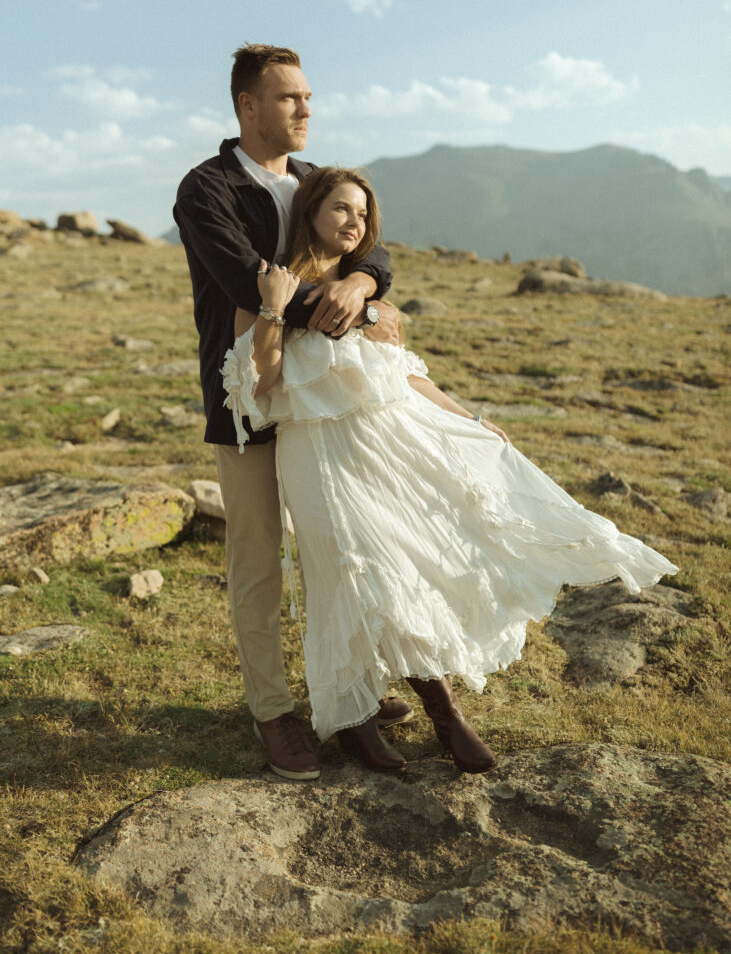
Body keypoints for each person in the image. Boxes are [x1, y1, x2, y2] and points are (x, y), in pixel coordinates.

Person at [222, 166, 679, 774]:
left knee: (402, 572)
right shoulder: (266, 286)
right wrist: (275, 311)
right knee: (349, 577)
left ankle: (444, 714)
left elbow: (409, 377)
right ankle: (355, 720)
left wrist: (473, 418)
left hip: (385, 447)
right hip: (318, 456)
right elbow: (262, 385)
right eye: (341, 210)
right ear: (309, 213)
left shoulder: (376, 306)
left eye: (362, 214)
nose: (354, 223)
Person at [174, 45, 411, 783]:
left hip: (321, 407)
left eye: (307, 97)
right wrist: (351, 310)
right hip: (248, 398)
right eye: (288, 99)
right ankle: (274, 712)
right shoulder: (205, 188)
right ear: (247, 106)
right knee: (256, 562)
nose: (306, 110)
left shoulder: (314, 180)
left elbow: (368, 245)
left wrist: (367, 281)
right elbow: (245, 278)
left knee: (336, 550)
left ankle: (347, 691)